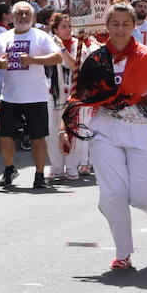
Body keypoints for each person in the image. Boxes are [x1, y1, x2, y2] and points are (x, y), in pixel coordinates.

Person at [61, 3, 147, 271]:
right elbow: (79, 95)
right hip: (105, 130)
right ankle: (123, 252)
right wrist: (66, 128)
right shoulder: (96, 59)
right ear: (107, 26)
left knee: (141, 198)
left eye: (125, 24)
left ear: (134, 27)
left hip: (141, 129)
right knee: (112, 195)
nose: (120, 29)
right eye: (115, 24)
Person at [0, 1, 63, 189]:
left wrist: (33, 60)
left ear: (33, 17)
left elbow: (57, 56)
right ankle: (9, 168)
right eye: (19, 14)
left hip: (36, 96)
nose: (23, 17)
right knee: (5, 136)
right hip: (10, 96)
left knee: (38, 137)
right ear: (12, 16)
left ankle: (39, 174)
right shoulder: (4, 38)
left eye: (27, 14)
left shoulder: (41, 36)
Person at [44, 13, 87, 182]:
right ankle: (56, 166)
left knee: (74, 128)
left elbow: (76, 67)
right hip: (54, 93)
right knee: (52, 129)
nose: (68, 30)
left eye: (70, 26)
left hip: (73, 93)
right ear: (55, 29)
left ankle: (71, 166)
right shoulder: (47, 44)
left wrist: (62, 49)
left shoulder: (78, 44)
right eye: (64, 26)